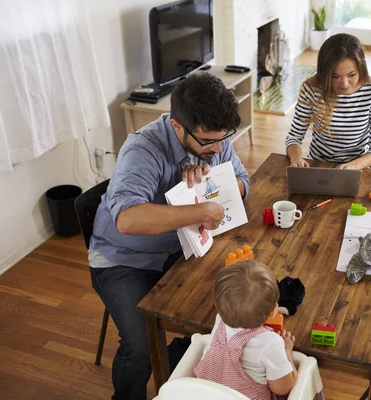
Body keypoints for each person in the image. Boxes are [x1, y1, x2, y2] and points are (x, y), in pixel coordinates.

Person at [88, 73, 250, 400]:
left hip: (182, 247)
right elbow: (128, 220)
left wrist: (214, 186)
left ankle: (179, 368)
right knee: (140, 348)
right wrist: (199, 211)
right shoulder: (142, 149)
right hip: (123, 259)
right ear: (178, 127)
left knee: (236, 311)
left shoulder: (213, 134)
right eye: (208, 142)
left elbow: (243, 180)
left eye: (223, 139)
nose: (218, 148)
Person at [194, 261, 297, 399]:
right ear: (274, 311)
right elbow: (283, 388)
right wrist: (287, 351)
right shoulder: (271, 343)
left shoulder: (220, 321)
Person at [285, 33, 371, 170]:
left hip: (359, 167)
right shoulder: (311, 90)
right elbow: (294, 137)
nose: (344, 84)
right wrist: (296, 158)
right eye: (335, 76)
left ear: (361, 69)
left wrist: (354, 166)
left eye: (352, 75)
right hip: (319, 165)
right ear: (325, 74)